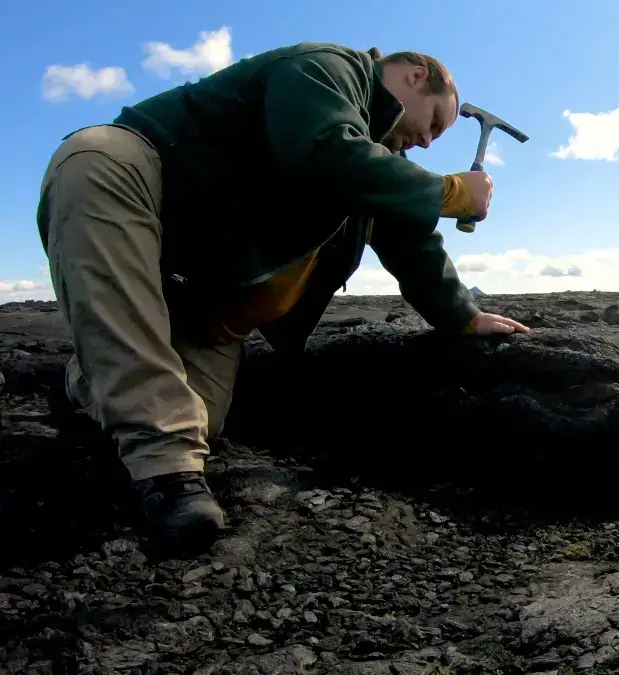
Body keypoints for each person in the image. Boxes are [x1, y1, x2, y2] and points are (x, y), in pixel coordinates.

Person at [35, 42, 529, 557]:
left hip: (204, 294)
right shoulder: (327, 69)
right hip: (137, 179)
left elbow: (412, 243)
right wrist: (451, 192)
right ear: (414, 75)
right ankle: (170, 476)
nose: (428, 143)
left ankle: (88, 377)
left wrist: (462, 316)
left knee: (200, 416)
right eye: (434, 122)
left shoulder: (381, 166)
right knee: (96, 159)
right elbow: (323, 152)